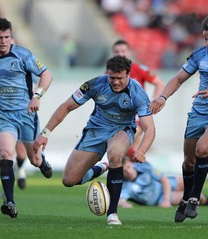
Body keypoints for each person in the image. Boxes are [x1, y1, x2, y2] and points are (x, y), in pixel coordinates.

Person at [33, 55, 156, 225]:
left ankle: (112, 213)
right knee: (69, 180)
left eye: (120, 78)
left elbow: (150, 128)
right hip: (95, 130)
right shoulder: (95, 84)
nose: (115, 82)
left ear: (128, 74)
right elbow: (67, 106)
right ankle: (102, 167)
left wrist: (141, 150)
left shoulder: (138, 93)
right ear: (107, 74)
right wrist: (45, 133)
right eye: (112, 77)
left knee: (115, 154)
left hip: (122, 130)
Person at [150, 13, 208, 223]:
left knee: (202, 148)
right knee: (189, 162)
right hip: (198, 114)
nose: (207, 43)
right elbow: (178, 78)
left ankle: (193, 199)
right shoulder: (200, 55)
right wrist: (163, 97)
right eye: (205, 38)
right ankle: (184, 199)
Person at [0, 17, 53, 218]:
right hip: (3, 115)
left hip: (27, 114)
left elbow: (46, 75)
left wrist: (37, 96)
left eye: (7, 37)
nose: (3, 41)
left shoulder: (23, 55)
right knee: (6, 153)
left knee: (33, 160)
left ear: (11, 36)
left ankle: (41, 161)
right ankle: (10, 201)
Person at [112, 39, 164, 159]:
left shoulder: (139, 69)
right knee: (125, 149)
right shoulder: (108, 73)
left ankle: (135, 167)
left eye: (123, 51)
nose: (120, 54)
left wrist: (154, 101)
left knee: (132, 137)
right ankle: (132, 169)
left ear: (129, 52)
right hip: (119, 115)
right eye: (116, 51)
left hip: (136, 112)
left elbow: (159, 83)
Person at [119, 157, 208, 208]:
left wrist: (166, 201)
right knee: (196, 198)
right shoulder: (125, 186)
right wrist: (123, 204)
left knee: (186, 181)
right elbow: (121, 199)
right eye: (124, 170)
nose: (128, 171)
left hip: (166, 185)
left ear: (132, 164)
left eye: (128, 167)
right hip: (159, 198)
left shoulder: (143, 166)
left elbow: (163, 179)